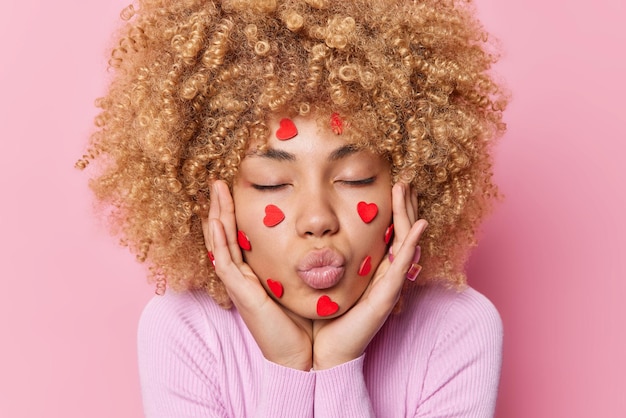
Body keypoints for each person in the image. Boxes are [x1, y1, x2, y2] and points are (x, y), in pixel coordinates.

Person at [78, 0, 508, 416]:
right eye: (273, 183)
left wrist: (339, 363)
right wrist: (288, 367)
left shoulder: (456, 327)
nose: (318, 219)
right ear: (208, 200)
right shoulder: (186, 329)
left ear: (409, 183)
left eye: (355, 177)